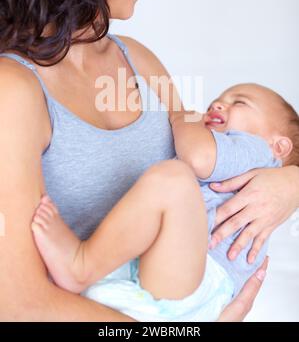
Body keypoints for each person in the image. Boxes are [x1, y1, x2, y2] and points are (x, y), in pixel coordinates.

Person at [0, 0, 298, 321]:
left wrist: (290, 183)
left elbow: (207, 147)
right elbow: (20, 305)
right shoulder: (14, 89)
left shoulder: (136, 60)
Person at [29, 83, 299, 321]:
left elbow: (199, 157)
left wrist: (183, 117)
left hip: (199, 279)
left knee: (173, 180)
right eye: (219, 99)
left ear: (279, 146)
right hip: (176, 287)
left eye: (239, 102)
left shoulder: (258, 151)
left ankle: (80, 265)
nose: (218, 104)